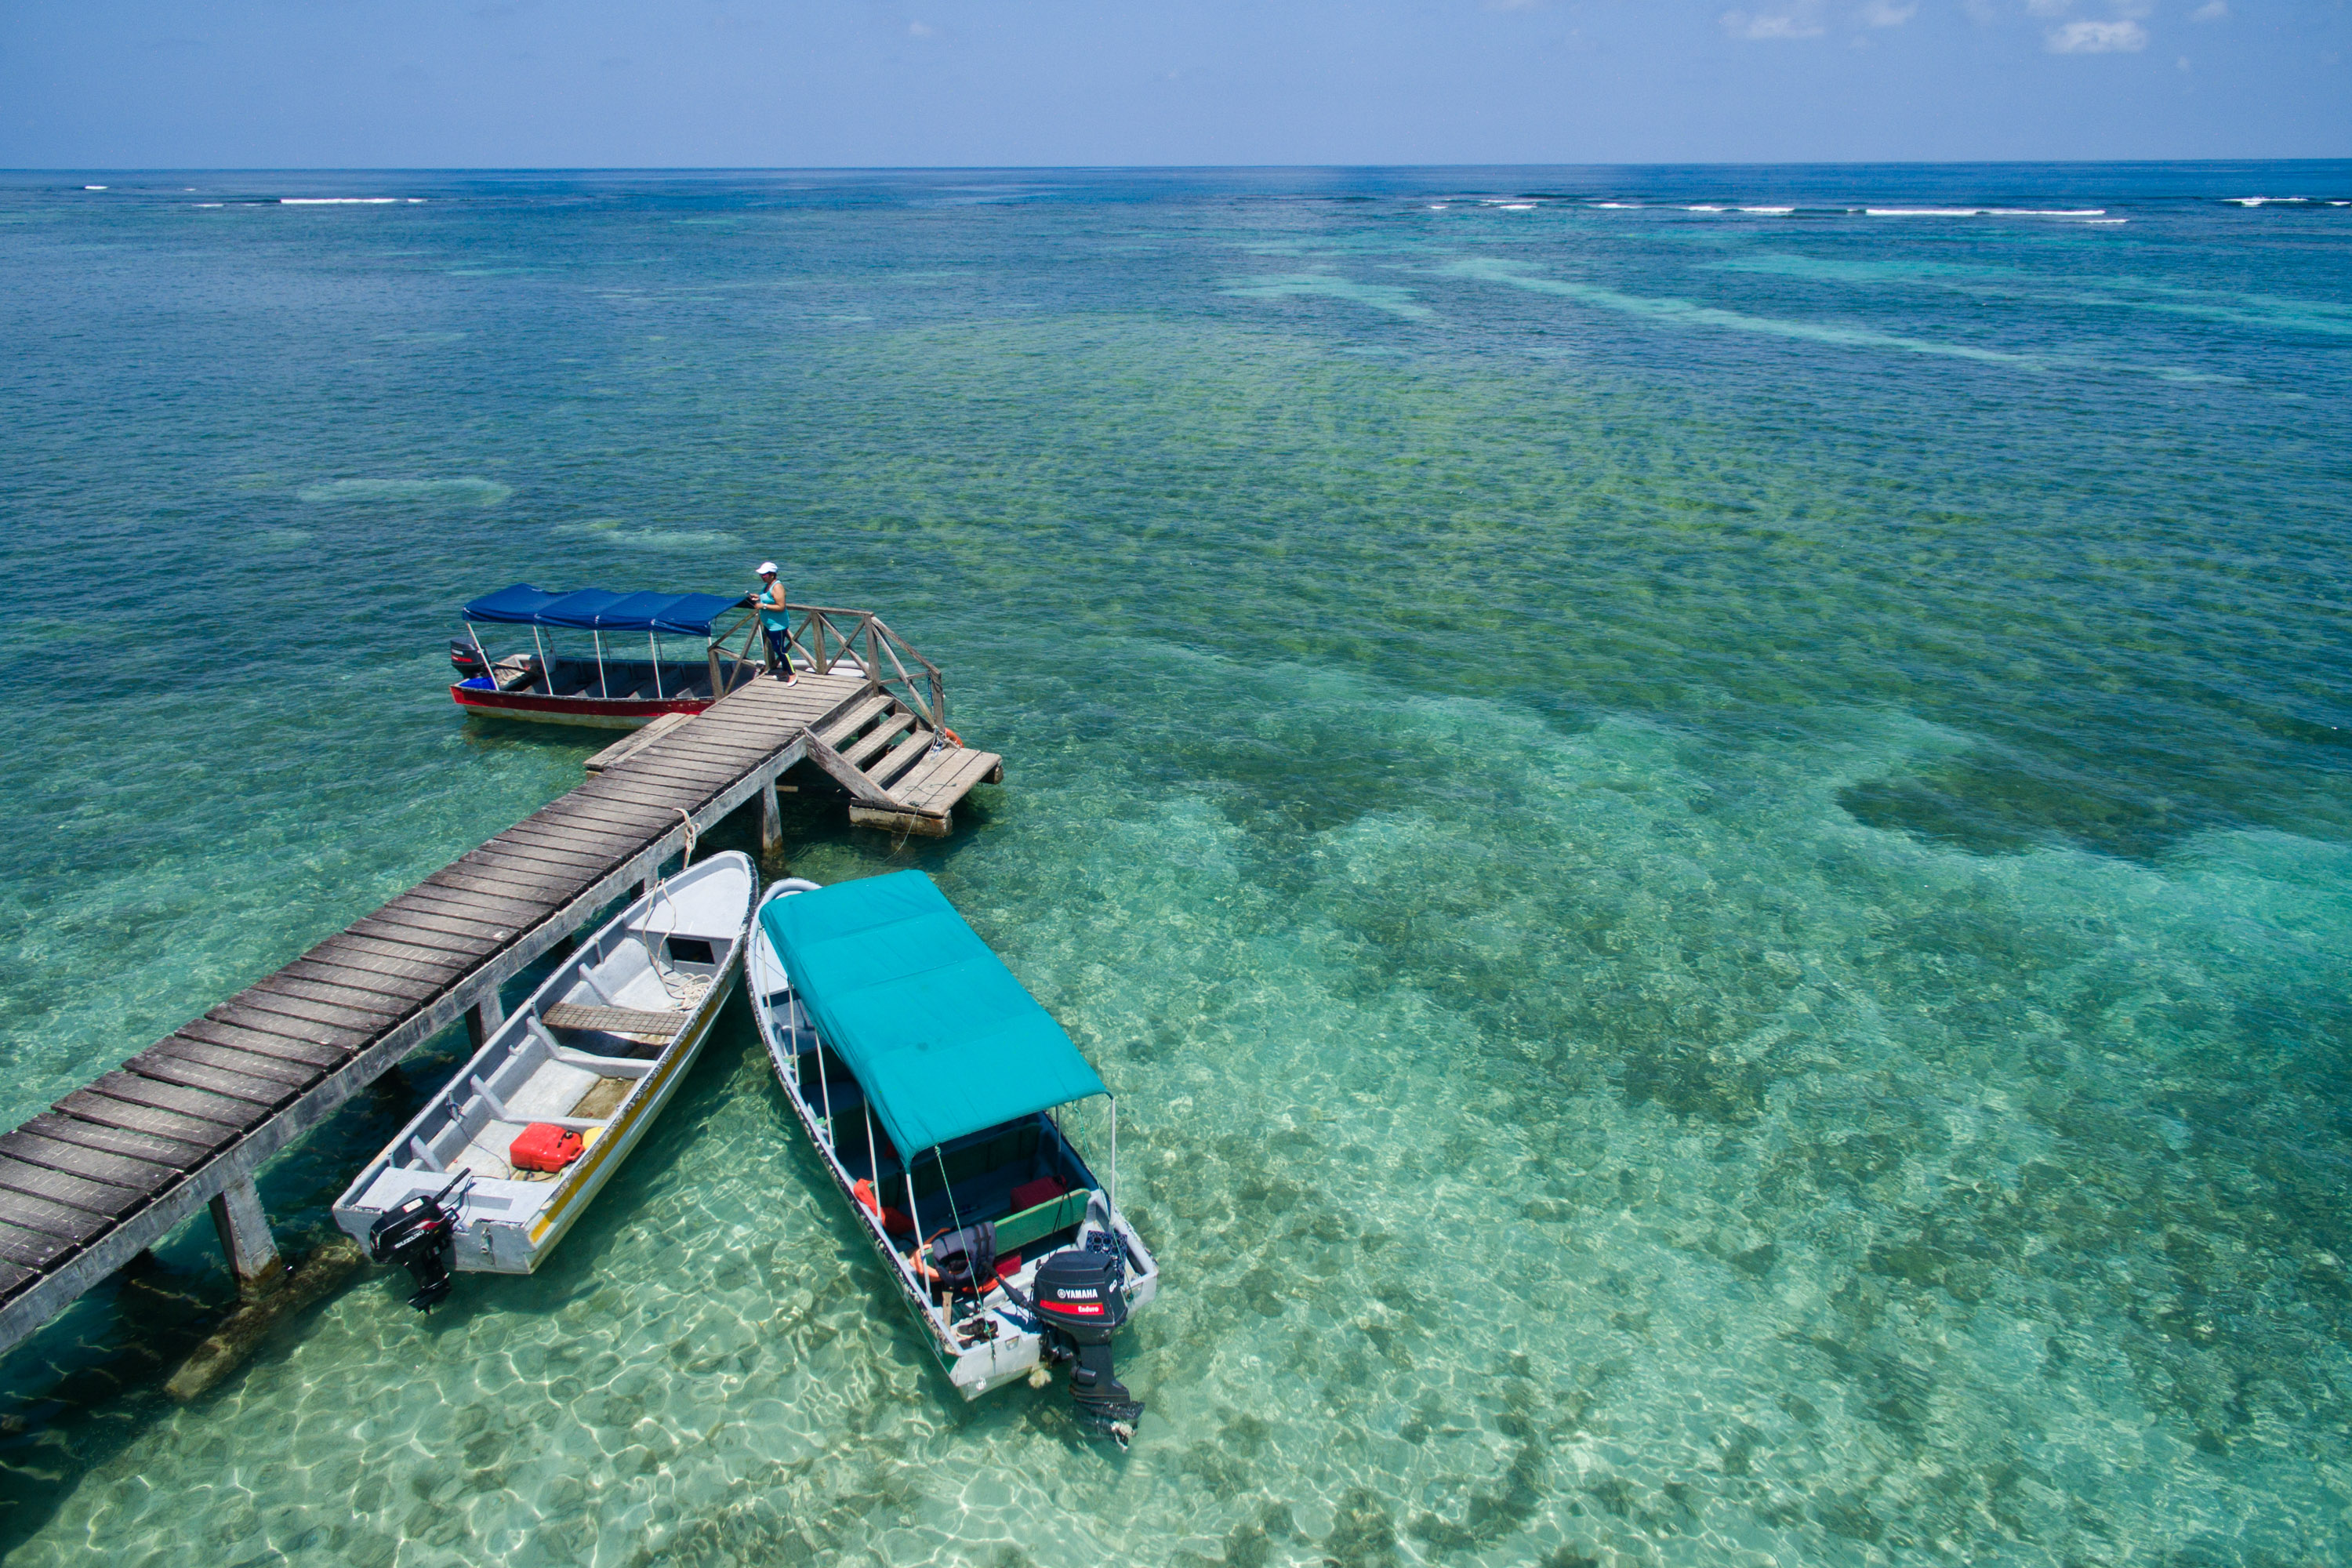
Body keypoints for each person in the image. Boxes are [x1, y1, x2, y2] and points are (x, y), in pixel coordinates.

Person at [752, 561, 796, 684]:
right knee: (777, 649)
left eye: (764, 575)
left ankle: (792, 674)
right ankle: (786, 670)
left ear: (772, 574)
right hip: (769, 624)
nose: (762, 577)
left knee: (780, 649)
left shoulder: (777, 587)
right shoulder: (767, 585)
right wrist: (758, 597)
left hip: (778, 625)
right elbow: (768, 598)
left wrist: (763, 606)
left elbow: (781, 606)